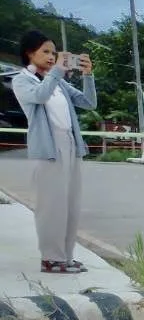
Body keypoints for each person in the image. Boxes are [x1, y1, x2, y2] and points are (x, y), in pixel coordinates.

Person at [10, 30, 96, 274]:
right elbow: (40, 96)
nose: (51, 56)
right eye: (46, 51)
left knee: (71, 204)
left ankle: (66, 257)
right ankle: (51, 258)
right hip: (48, 148)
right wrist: (58, 70)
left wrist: (88, 75)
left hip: (70, 143)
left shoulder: (57, 80)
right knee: (51, 205)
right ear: (30, 53)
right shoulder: (23, 80)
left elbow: (89, 103)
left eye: (54, 52)